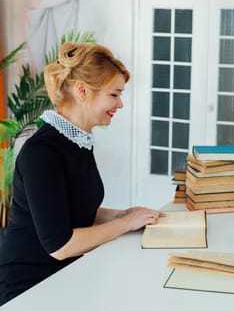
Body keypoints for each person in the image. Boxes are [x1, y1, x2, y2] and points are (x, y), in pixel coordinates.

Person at [0, 42, 163, 305]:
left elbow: (72, 207)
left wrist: (125, 214)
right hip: (28, 289)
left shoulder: (77, 142)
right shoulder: (42, 153)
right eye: (114, 94)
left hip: (65, 277)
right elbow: (60, 245)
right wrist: (125, 224)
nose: (120, 103)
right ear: (82, 91)